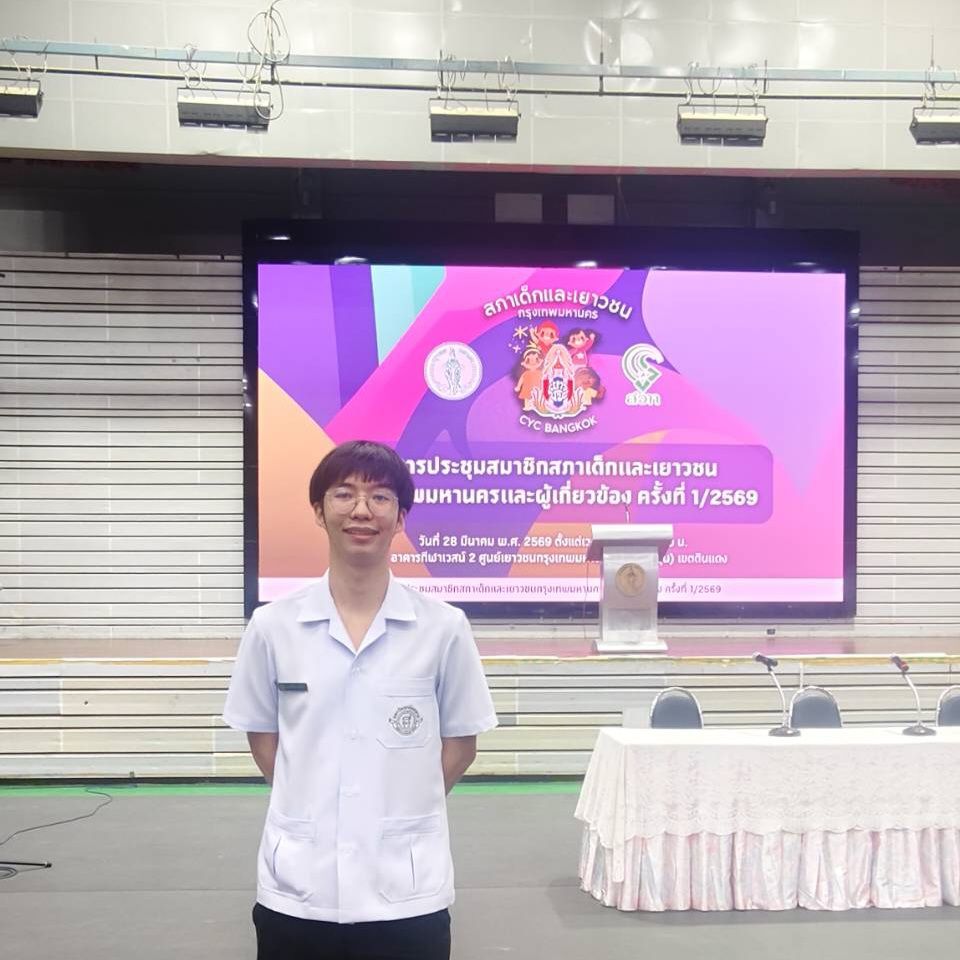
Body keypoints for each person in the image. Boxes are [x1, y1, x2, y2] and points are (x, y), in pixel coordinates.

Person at [223, 440, 498, 960]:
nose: (362, 510)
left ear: (400, 519)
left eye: (380, 497)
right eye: (344, 493)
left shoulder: (443, 628)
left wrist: (401, 802)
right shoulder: (273, 626)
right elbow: (263, 738)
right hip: (298, 886)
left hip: (407, 889)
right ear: (318, 511)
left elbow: (461, 746)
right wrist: (315, 800)